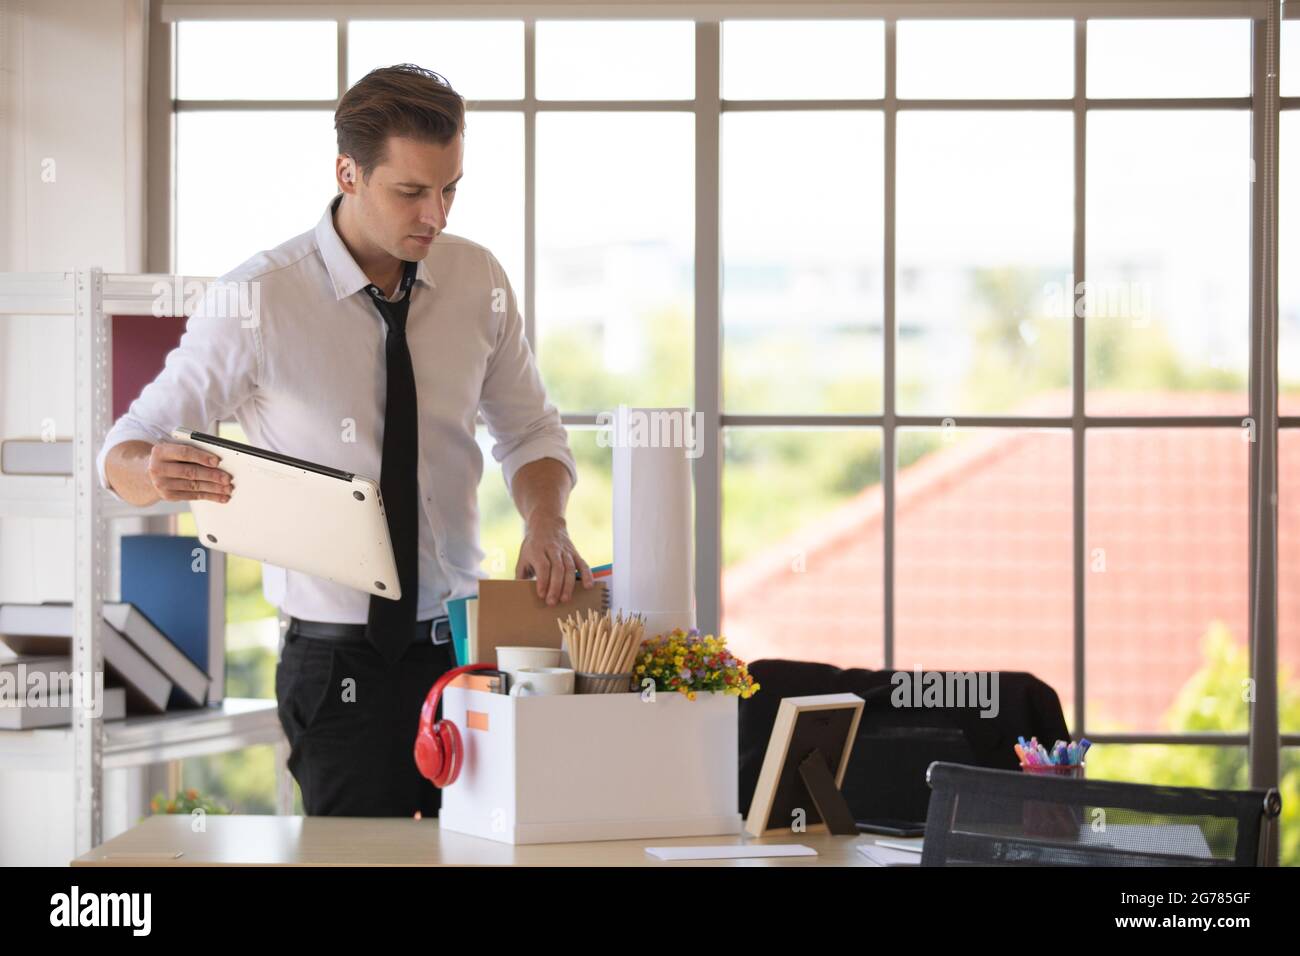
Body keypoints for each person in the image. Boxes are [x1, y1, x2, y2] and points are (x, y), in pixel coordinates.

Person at [99, 63, 593, 818]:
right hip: (338, 666)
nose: (436, 214)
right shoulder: (257, 299)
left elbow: (530, 433)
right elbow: (125, 447)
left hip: (466, 650)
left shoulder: (476, 280)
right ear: (348, 173)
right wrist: (152, 471)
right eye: (411, 192)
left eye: (451, 188)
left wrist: (546, 519)